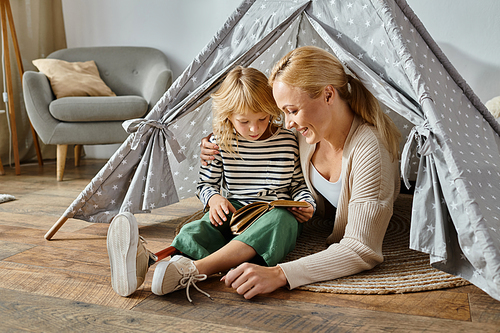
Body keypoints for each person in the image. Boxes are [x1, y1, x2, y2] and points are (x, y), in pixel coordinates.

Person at [201, 46, 401, 299]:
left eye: (292, 110)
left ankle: (194, 270)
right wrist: (212, 143)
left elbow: (361, 247)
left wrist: (279, 274)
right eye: (283, 112)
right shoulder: (305, 133)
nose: (287, 124)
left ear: (328, 95)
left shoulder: (370, 150)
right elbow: (252, 128)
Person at [106, 66, 316, 301]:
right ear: (229, 116)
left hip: (274, 211)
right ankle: (147, 261)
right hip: (236, 210)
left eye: (263, 118)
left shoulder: (288, 140)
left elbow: (298, 183)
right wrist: (215, 199)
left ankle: (194, 269)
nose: (255, 128)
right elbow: (206, 185)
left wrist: (305, 203)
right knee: (196, 229)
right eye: (244, 121)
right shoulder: (219, 142)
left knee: (281, 220)